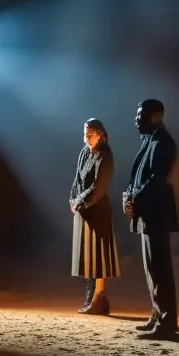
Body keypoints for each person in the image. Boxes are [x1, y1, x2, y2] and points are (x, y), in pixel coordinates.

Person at [123, 99, 179, 339]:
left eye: (141, 115)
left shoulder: (163, 142)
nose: (137, 120)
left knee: (159, 268)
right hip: (148, 212)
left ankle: (166, 323)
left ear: (156, 116)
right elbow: (139, 176)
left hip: (156, 212)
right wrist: (130, 196)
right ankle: (158, 315)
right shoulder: (151, 140)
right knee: (151, 268)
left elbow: (156, 179)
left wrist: (134, 198)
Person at [69, 118, 120, 315]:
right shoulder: (84, 152)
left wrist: (80, 201)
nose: (86, 138)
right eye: (85, 134)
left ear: (100, 134)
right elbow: (77, 179)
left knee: (98, 257)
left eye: (90, 135)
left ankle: (99, 298)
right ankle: (90, 298)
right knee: (87, 257)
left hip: (97, 210)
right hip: (84, 211)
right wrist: (73, 199)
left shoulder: (105, 155)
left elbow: (99, 186)